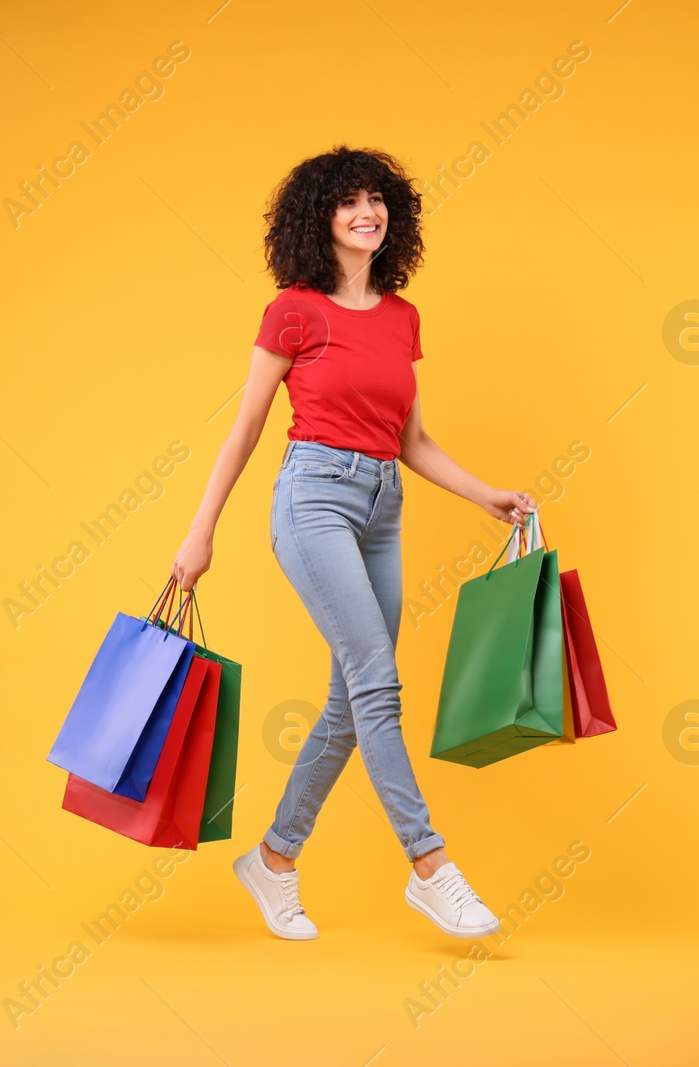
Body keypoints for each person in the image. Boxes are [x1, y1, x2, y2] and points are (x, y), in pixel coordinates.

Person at [172, 146, 535, 941]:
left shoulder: (402, 317)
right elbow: (247, 428)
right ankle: (431, 865)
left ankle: (272, 859)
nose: (366, 212)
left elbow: (409, 437)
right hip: (313, 498)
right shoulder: (294, 310)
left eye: (377, 200)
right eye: (348, 203)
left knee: (349, 700)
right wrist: (200, 533)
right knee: (378, 680)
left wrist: (487, 494)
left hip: (382, 505)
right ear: (320, 219)